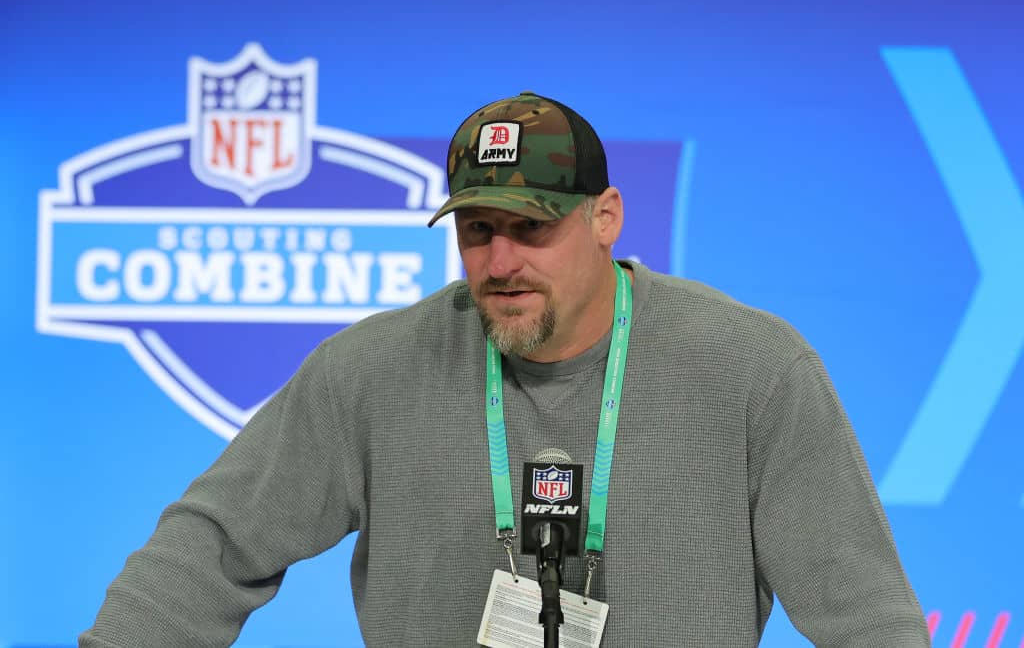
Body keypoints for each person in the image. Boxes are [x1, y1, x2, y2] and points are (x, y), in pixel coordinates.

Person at [82, 92, 930, 647]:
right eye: (477, 229)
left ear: (606, 217)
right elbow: (211, 547)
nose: (498, 260)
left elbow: (869, 620)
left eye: (531, 228)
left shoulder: (752, 370)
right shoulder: (373, 371)